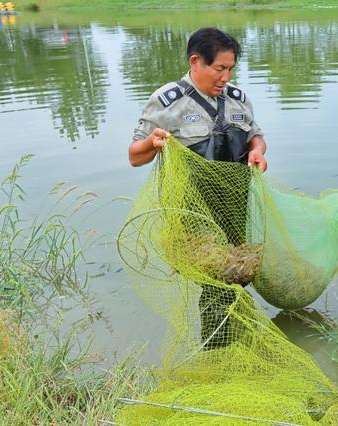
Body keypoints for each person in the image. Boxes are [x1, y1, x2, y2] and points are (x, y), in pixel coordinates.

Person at [128, 27, 267, 350]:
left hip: (235, 207)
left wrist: (258, 150)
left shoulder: (238, 99)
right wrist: (153, 142)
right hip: (193, 214)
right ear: (195, 62)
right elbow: (135, 157)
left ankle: (232, 338)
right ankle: (218, 349)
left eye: (231, 69)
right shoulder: (168, 102)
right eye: (219, 69)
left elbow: (255, 137)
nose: (226, 77)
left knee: (240, 274)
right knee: (217, 279)